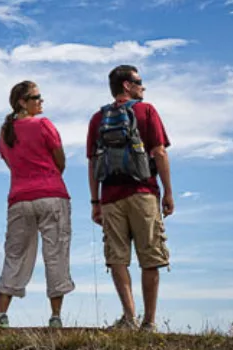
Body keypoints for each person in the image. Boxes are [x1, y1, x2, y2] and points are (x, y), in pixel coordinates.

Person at [0, 81, 75, 329]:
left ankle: (0, 314)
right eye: (36, 97)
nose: (41, 101)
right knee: (56, 254)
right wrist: (48, 176)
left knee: (15, 255)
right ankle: (55, 317)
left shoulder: (5, 133)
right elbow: (59, 160)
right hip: (51, 194)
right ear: (22, 101)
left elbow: (12, 165)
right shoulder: (43, 124)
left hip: (20, 198)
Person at [86, 65, 173, 332]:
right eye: (139, 81)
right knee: (151, 258)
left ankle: (128, 317)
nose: (143, 87)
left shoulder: (97, 118)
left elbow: (92, 163)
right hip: (143, 193)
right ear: (127, 85)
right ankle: (148, 323)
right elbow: (159, 152)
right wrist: (168, 192)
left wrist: (95, 201)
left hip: (111, 197)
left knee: (117, 259)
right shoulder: (147, 111)